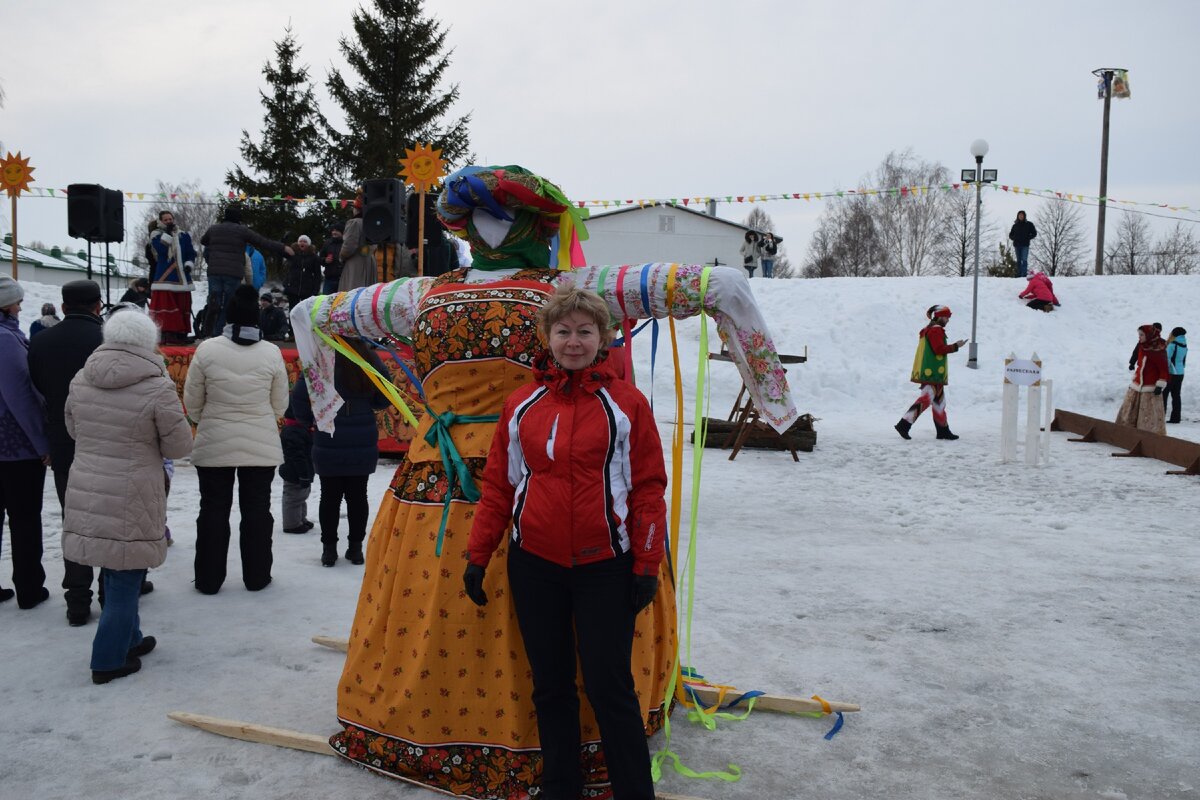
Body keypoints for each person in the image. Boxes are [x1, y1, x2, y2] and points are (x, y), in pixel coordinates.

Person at [290, 163, 796, 797]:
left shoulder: (417, 296)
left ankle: (457, 733)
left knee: (485, 628)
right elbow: (720, 283)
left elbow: (310, 311)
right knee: (579, 659)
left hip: (439, 490)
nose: (576, 337)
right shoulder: (574, 288)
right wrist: (773, 396)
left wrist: (323, 399)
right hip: (515, 490)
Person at [466, 284, 666, 800]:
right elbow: (499, 485)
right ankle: (561, 789)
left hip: (606, 567)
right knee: (551, 687)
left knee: (609, 688)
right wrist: (478, 554)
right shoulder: (521, 404)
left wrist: (645, 564)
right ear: (546, 336)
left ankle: (633, 793)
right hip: (535, 565)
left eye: (584, 331)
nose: (573, 342)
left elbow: (648, 488)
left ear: (602, 338)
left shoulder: (626, 404)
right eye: (563, 331)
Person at [63, 309, 193, 684]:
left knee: (116, 566)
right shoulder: (156, 385)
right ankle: (107, 660)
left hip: (88, 485)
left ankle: (130, 638)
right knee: (125, 575)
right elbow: (179, 445)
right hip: (133, 490)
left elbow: (73, 428)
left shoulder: (81, 379)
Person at [184, 285, 288, 594]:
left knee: (213, 510)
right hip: (260, 445)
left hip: (214, 441)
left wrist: (209, 420)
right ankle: (257, 577)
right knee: (257, 511)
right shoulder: (271, 352)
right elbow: (280, 404)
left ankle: (208, 579)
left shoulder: (207, 349)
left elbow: (192, 401)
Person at [27, 280, 114, 625]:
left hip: (64, 444)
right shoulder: (108, 340)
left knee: (74, 520)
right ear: (98, 306)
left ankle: (77, 600)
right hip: (108, 445)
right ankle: (112, 590)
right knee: (111, 519)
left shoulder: (41, 342)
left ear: (63, 307)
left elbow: (39, 390)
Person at [291, 339, 388, 567]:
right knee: (358, 496)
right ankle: (355, 549)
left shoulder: (319, 359)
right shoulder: (369, 358)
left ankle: (329, 550)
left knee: (329, 496)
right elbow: (384, 395)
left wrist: (309, 420)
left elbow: (299, 397)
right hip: (362, 437)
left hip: (328, 433)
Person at [0, 274, 50, 610]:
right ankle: (29, 588)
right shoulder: (5, 340)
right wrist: (41, 442)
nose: (20, 305)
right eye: (16, 300)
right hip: (14, 447)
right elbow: (20, 395)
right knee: (24, 517)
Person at [199, 206, 292, 338]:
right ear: (238, 219)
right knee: (229, 305)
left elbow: (203, 241)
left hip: (215, 272)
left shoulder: (213, 229)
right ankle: (221, 335)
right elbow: (263, 241)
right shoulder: (241, 231)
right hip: (233, 273)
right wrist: (283, 248)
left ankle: (208, 334)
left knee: (214, 304)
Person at [895, 305, 967, 441]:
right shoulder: (935, 331)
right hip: (932, 373)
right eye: (946, 317)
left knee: (939, 403)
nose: (948, 320)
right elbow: (938, 349)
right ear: (939, 317)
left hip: (932, 373)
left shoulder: (928, 330)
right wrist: (956, 346)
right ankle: (903, 424)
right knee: (926, 399)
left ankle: (943, 430)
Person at [149, 209, 198, 344]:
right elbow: (161, 251)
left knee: (183, 305)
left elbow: (190, 252)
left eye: (170, 219)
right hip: (165, 277)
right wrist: (168, 235)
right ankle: (168, 334)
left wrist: (189, 264)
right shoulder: (156, 235)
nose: (169, 221)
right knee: (167, 306)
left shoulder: (183, 235)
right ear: (160, 221)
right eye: (165, 220)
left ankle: (181, 334)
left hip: (182, 278)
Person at [1117, 324, 1169, 435]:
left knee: (1148, 416)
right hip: (1137, 385)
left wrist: (1160, 385)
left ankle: (1148, 438)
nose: (1139, 337)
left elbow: (1164, 369)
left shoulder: (1158, 349)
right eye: (1139, 334)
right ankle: (1125, 434)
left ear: (1149, 335)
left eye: (1141, 335)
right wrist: (1134, 379)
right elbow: (1140, 365)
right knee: (1129, 412)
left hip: (1150, 388)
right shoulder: (1141, 346)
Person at [278, 382, 315, 535]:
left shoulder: (299, 430)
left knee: (302, 495)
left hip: (302, 470)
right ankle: (291, 524)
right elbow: (297, 456)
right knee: (293, 498)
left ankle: (301, 519)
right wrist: (303, 474)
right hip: (295, 472)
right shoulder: (294, 432)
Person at [338, 198, 376, 290]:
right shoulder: (372, 224)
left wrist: (341, 257)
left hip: (356, 263)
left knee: (352, 293)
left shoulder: (354, 223)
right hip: (369, 261)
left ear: (357, 210)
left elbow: (349, 246)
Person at [284, 234, 322, 309]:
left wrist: (315, 290)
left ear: (308, 244)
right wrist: (286, 284)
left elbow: (317, 275)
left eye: (305, 241)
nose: (302, 243)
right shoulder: (292, 254)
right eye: (300, 241)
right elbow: (287, 270)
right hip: (293, 289)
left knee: (305, 311)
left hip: (307, 290)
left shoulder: (314, 257)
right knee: (293, 311)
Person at [1164, 326, 1187, 424]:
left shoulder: (1173, 345)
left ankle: (1160, 417)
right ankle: (1176, 418)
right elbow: (1183, 360)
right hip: (1180, 373)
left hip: (1171, 373)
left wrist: (1165, 371)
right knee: (1176, 395)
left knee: (1164, 394)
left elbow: (1167, 359)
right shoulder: (1184, 345)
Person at [1008, 210, 1037, 279]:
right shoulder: (1015, 225)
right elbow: (1010, 235)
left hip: (1025, 245)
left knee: (1024, 260)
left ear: (1024, 216)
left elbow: (1034, 233)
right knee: (1018, 260)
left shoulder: (1029, 224)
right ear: (1018, 216)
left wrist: (1028, 238)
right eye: (1019, 215)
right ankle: (1019, 274)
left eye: (1022, 215)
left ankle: (1024, 274)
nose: (1021, 216)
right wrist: (1014, 238)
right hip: (1017, 245)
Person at [319, 222, 344, 295]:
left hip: (342, 278)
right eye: (333, 230)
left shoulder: (345, 244)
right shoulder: (327, 243)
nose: (334, 232)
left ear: (342, 232)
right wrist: (325, 260)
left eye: (337, 231)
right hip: (329, 278)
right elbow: (319, 258)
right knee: (326, 301)